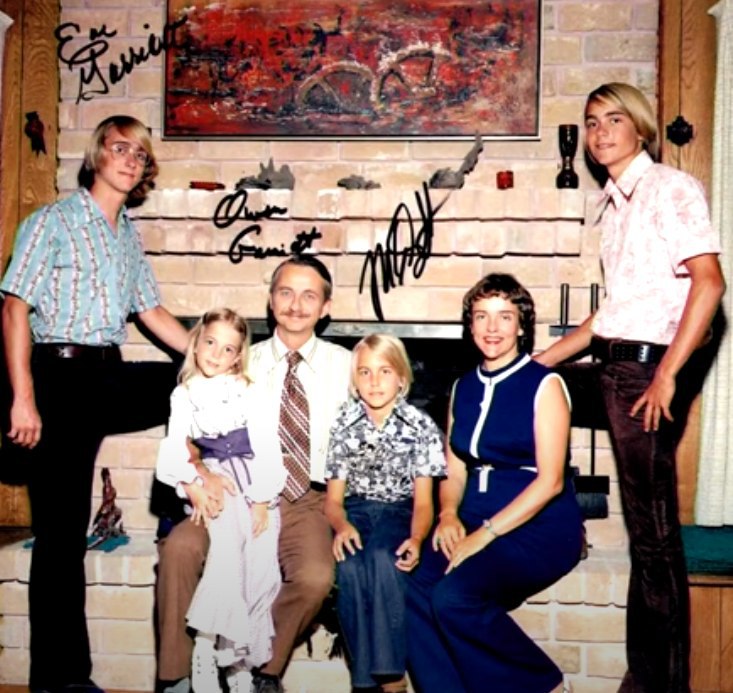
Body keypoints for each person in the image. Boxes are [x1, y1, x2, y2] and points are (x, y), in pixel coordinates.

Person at [535, 82, 725, 693]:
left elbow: (710, 283)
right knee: (533, 393)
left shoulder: (670, 188)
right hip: (615, 365)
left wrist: (668, 375)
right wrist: (537, 364)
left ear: (640, 128)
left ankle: (661, 685)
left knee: (653, 536)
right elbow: (611, 316)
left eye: (614, 120)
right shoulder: (614, 206)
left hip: (646, 374)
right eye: (592, 122)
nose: (600, 132)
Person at [0, 115, 190, 693]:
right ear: (97, 155)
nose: (130, 160)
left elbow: (151, 311)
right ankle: (59, 680)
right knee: (62, 537)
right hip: (55, 378)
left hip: (104, 373)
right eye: (119, 148)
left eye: (140, 153)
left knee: (186, 385)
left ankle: (184, 504)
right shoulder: (52, 222)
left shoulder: (126, 234)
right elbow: (14, 309)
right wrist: (23, 400)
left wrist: (214, 361)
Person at [155, 255, 351, 693]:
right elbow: (186, 437)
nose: (295, 305)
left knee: (316, 577)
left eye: (309, 296)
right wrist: (200, 474)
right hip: (226, 488)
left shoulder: (346, 365)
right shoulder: (239, 358)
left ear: (326, 307)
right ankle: (177, 676)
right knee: (181, 548)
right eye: (285, 292)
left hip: (308, 497)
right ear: (270, 300)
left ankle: (259, 666)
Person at [406, 273, 584, 693]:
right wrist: (449, 514)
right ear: (469, 325)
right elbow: (455, 468)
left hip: (538, 529)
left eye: (504, 316)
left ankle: (541, 684)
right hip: (473, 519)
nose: (492, 327)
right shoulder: (463, 387)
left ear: (521, 326)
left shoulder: (545, 384)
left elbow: (551, 482)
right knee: (413, 585)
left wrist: (483, 535)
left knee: (454, 597)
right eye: (481, 316)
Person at [155, 308, 287, 693]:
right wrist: (193, 483)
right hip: (215, 479)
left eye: (228, 349)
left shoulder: (251, 390)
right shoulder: (184, 394)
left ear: (237, 356)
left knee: (262, 562)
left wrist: (261, 499)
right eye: (210, 342)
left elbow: (267, 445)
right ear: (196, 344)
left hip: (255, 477)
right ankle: (205, 643)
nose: (216, 354)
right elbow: (175, 446)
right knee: (227, 550)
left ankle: (238, 660)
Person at [324, 334, 446, 692]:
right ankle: (364, 680)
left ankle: (391, 677)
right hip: (356, 511)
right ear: (355, 380)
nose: (374, 381)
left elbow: (424, 503)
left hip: (399, 511)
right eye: (365, 372)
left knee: (382, 556)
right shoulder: (343, 423)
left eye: (385, 371)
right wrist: (341, 525)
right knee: (348, 567)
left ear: (402, 378)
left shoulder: (420, 426)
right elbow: (333, 501)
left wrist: (417, 538)